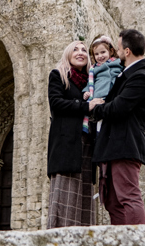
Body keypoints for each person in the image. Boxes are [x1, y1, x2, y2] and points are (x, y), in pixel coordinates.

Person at [90, 29, 145, 225]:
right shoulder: (126, 74)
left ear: (127, 51)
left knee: (128, 196)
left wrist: (96, 109)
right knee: (112, 201)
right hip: (112, 145)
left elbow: (119, 107)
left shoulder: (140, 76)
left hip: (125, 145)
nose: (115, 52)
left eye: (117, 48)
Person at [47, 40, 100, 228]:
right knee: (65, 197)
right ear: (67, 55)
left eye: (84, 50)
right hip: (66, 146)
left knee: (85, 196)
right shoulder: (58, 76)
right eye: (75, 49)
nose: (80, 52)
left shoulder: (93, 82)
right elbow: (56, 104)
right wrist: (86, 106)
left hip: (87, 143)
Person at [82, 35, 123, 133]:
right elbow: (90, 82)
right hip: (99, 98)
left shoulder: (118, 63)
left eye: (103, 52)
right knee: (100, 126)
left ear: (111, 51)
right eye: (96, 54)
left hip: (113, 97)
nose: (100, 56)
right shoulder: (94, 69)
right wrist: (86, 92)